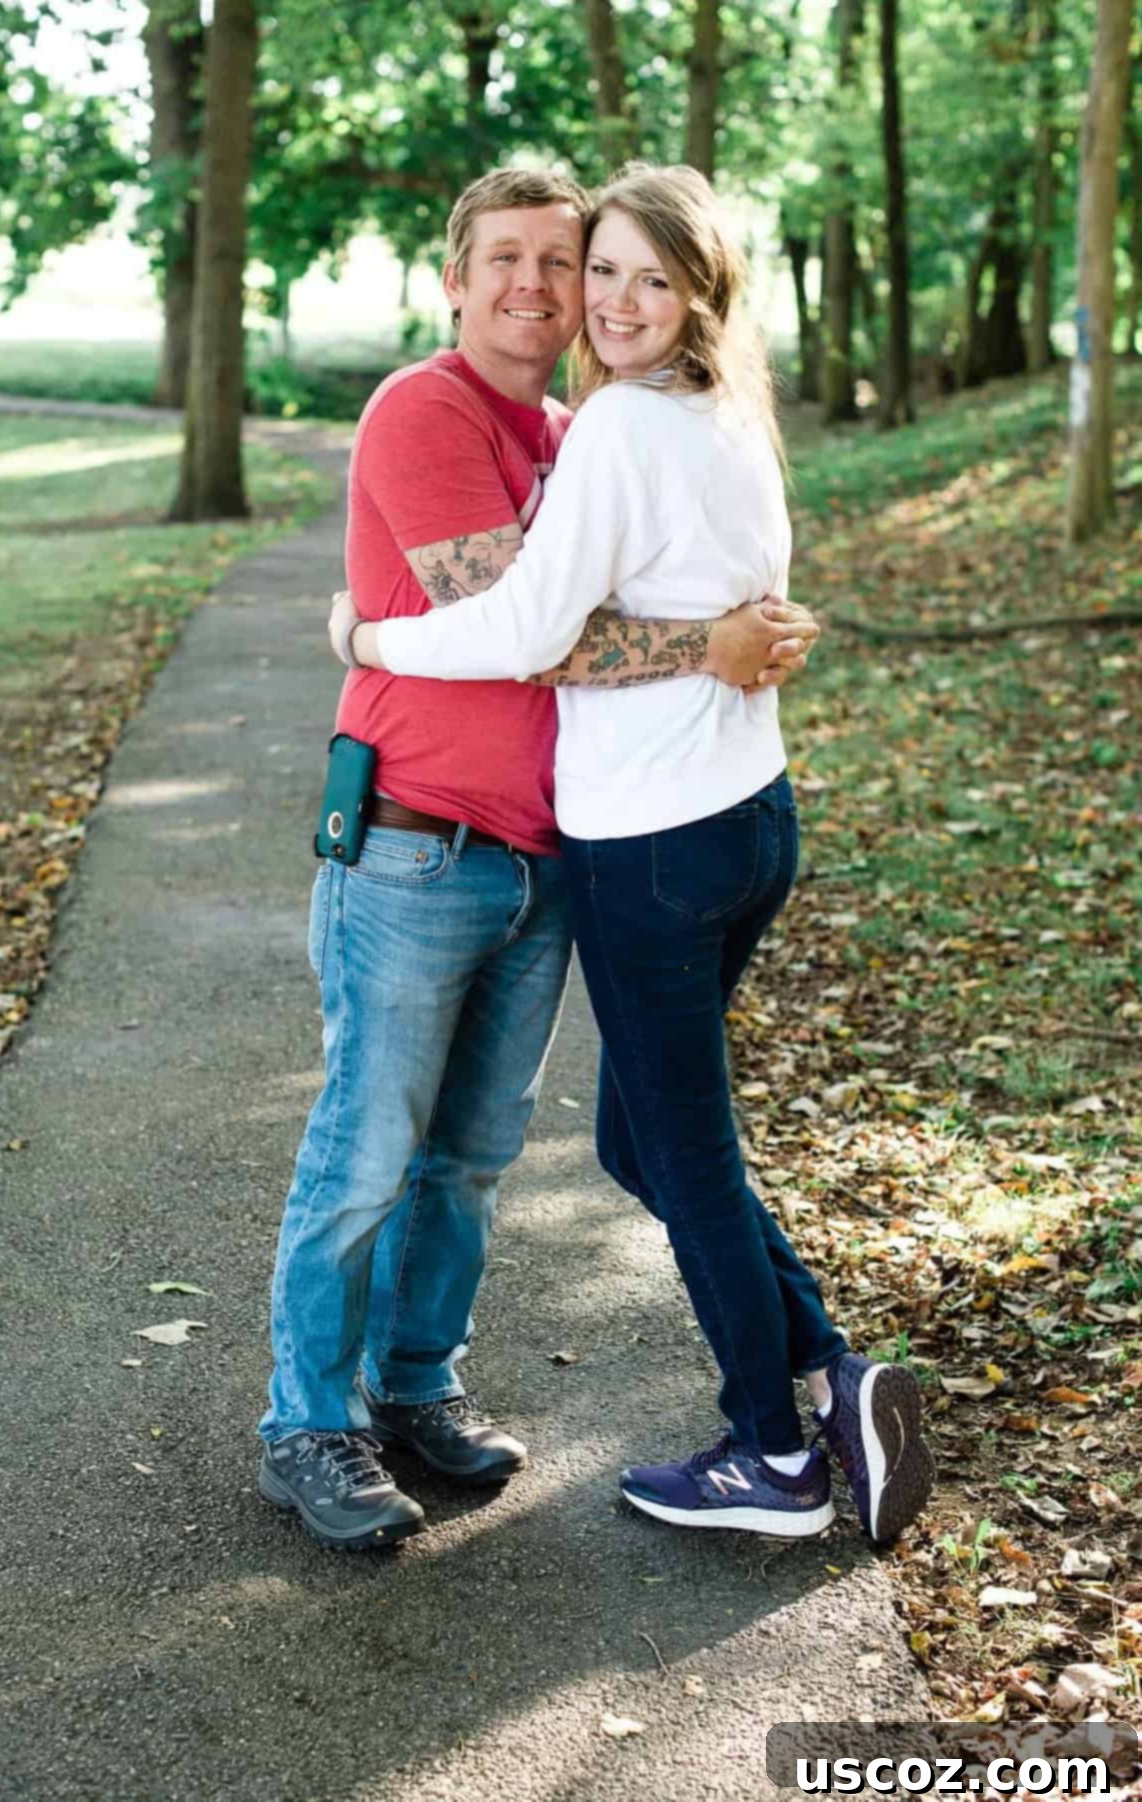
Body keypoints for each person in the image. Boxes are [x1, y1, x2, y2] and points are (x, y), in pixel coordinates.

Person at [342, 163, 935, 1545]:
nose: (607, 300)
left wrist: (365, 638)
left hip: (654, 848)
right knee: (640, 1137)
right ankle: (841, 1380)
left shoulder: (614, 432)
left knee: (682, 1145)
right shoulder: (729, 417)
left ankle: (772, 1450)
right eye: (597, 270)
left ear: (700, 292)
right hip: (751, 823)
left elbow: (520, 632)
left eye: (645, 279)